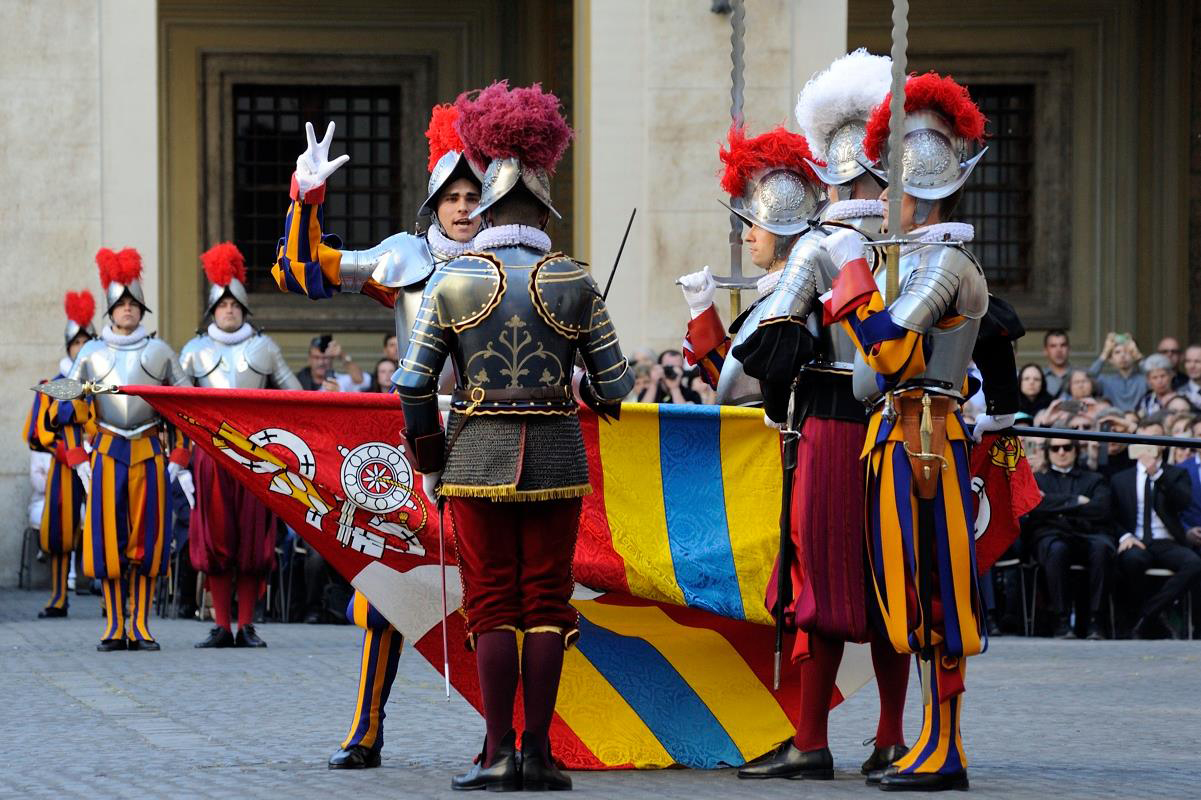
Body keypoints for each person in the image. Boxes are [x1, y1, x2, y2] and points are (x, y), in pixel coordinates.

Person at [396, 81, 632, 792]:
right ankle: (539, 752)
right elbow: (616, 389)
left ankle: (496, 750)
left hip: (474, 457)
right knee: (547, 602)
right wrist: (586, 387)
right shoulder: (574, 279)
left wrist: (431, 459)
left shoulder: (454, 281)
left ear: (491, 208)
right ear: (542, 210)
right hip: (556, 454)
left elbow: (412, 384)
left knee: (493, 601)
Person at [273, 102, 484, 769]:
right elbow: (299, 273)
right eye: (450, 196)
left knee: (489, 593)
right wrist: (306, 197)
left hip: (491, 438)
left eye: (473, 195)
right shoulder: (403, 257)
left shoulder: (511, 261)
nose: (461, 206)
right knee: (384, 587)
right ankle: (366, 729)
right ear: (432, 203)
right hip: (412, 438)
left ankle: (500, 734)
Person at [729, 50, 913, 783]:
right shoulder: (916, 247)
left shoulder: (813, 250)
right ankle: (894, 736)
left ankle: (809, 740)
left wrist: (781, 400)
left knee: (823, 584)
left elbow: (760, 360)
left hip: (834, 431)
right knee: (891, 579)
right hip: (905, 429)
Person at [822, 71, 989, 791]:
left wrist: (854, 274)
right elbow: (866, 381)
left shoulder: (945, 262)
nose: (878, 198)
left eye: (888, 186)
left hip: (929, 439)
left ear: (916, 192)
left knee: (938, 595)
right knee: (910, 593)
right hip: (893, 434)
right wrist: (869, 288)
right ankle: (926, 738)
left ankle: (945, 745)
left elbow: (887, 354)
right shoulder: (913, 264)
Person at [51, 248, 193, 651]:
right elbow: (69, 408)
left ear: (142, 309)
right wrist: (78, 457)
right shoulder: (92, 354)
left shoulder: (162, 350)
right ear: (110, 310)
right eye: (121, 304)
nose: (127, 309)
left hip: (150, 452)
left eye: (133, 304)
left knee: (147, 541)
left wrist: (179, 460)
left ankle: (142, 626)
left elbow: (184, 410)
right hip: (108, 452)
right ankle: (115, 625)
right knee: (108, 542)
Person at [179, 243, 301, 649]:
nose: (229, 310)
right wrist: (180, 460)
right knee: (215, 541)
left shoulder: (265, 348)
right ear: (212, 310)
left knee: (254, 543)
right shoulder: (193, 351)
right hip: (209, 459)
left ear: (244, 310)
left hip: (257, 457)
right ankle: (221, 625)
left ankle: (246, 624)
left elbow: (295, 397)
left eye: (235, 305)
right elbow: (177, 409)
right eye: (222, 305)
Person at [677, 123, 825, 408]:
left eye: (760, 225)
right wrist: (702, 311)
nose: (749, 236)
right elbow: (733, 382)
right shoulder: (769, 300)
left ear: (786, 229)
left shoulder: (801, 303)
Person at [24, 291, 98, 618]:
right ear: (68, 347)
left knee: (107, 525)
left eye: (87, 342)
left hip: (101, 462)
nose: (81, 348)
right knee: (59, 531)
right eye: (76, 343)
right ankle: (58, 595)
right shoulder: (52, 385)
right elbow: (36, 433)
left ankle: (109, 597)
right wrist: (65, 451)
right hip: (64, 466)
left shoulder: (102, 382)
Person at [1111, 420, 1201, 638]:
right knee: (1132, 561)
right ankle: (1147, 618)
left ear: (1162, 443)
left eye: (1154, 437)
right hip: (1137, 540)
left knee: (1194, 563)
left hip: (1167, 541)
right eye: (1143, 437)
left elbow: (1182, 501)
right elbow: (1111, 515)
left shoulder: (1176, 474)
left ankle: (1148, 614)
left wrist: (1157, 475)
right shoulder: (1120, 478)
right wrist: (1125, 536)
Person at [1025, 439, 1113, 639]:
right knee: (1056, 549)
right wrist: (1076, 501)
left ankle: (1095, 621)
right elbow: (1036, 506)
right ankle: (1061, 621)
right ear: (1048, 452)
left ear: (1076, 450)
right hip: (1051, 535)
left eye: (1067, 447)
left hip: (1089, 534)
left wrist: (1055, 506)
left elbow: (1101, 509)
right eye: (1055, 448)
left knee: (1102, 549)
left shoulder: (1094, 479)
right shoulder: (1038, 479)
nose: (1062, 452)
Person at [1088, 333, 1145, 412]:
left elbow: (1154, 376)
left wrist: (1138, 356)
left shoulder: (1143, 380)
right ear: (1110, 359)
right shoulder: (1106, 382)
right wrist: (1104, 354)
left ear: (1133, 355)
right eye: (1117, 352)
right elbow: (1088, 378)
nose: (1123, 355)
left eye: (1128, 351)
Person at [295, 336, 366, 391]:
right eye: (316, 357)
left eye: (325, 358)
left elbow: (359, 379)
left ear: (332, 359)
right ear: (309, 359)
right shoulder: (297, 381)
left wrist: (342, 355)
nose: (321, 362)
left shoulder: (340, 381)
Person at [1042, 330, 1072, 398]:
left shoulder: (1081, 374)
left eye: (1063, 345)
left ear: (1069, 349)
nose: (1059, 350)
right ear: (1045, 351)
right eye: (1053, 346)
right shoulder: (1038, 377)